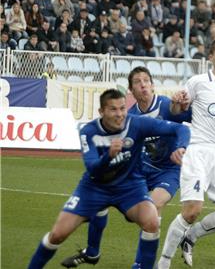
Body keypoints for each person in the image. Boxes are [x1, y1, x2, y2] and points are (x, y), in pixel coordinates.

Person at [27, 89, 191, 269]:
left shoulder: (136, 123)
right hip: (95, 188)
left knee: (151, 221)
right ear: (102, 112)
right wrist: (109, 156)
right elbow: (92, 169)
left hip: (129, 188)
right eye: (113, 109)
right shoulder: (88, 131)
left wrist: (181, 147)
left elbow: (180, 128)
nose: (119, 114)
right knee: (57, 234)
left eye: (122, 108)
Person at [157, 38, 215, 269]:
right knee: (192, 211)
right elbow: (177, 109)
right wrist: (177, 103)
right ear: (211, 58)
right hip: (198, 151)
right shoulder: (198, 82)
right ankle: (163, 263)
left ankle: (191, 237)